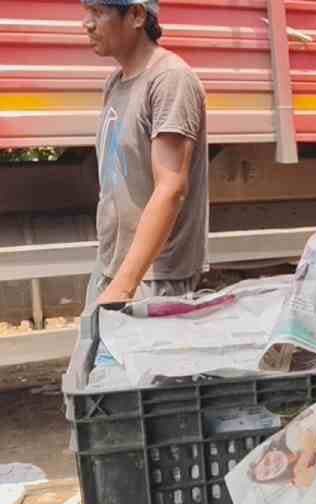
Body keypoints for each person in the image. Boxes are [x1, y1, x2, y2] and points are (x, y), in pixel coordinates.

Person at [82, 0, 208, 308]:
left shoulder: (170, 80)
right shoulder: (115, 82)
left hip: (152, 278)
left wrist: (124, 287)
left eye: (98, 12)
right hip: (113, 268)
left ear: (137, 15)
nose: (87, 23)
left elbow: (171, 188)